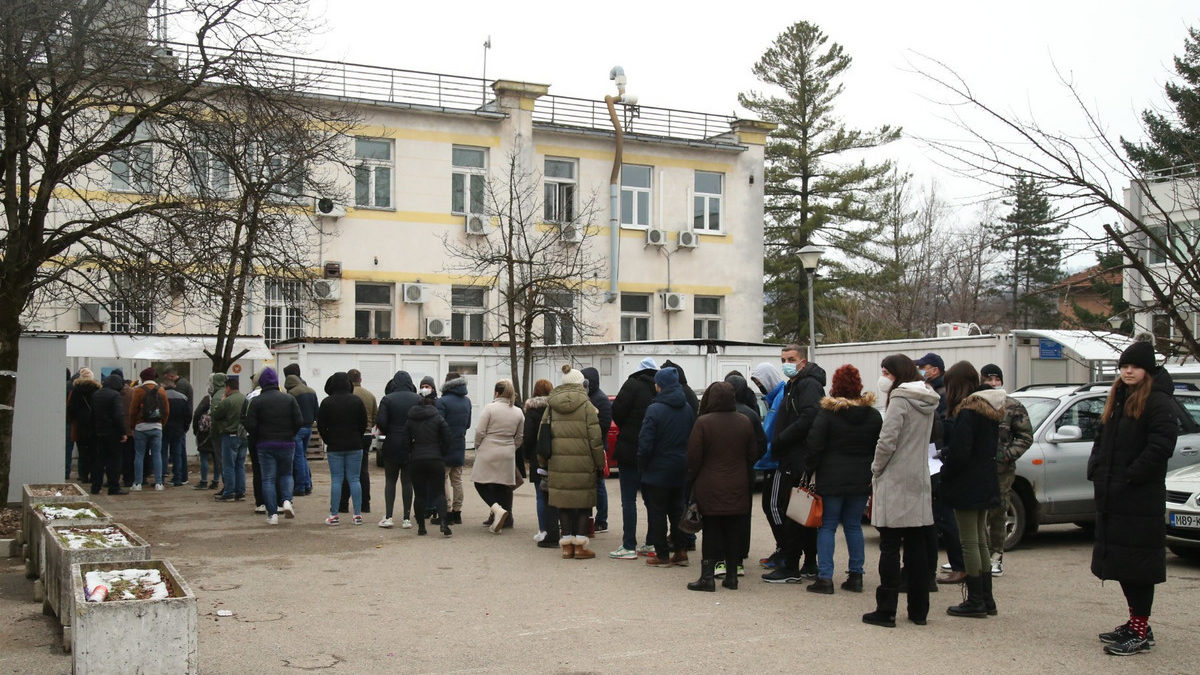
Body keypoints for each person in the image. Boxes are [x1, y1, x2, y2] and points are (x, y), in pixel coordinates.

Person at [1089, 341, 1178, 656]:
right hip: (1116, 497)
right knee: (1123, 564)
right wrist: (1096, 469)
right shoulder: (1118, 398)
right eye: (1124, 366)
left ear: (1147, 370)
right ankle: (1136, 622)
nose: (1128, 371)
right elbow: (1102, 438)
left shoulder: (1158, 402)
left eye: (1135, 366)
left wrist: (1130, 476)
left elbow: (1161, 446)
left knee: (1138, 567)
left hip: (1139, 499)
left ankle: (1140, 630)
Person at [862, 354, 939, 628]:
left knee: (890, 547)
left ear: (897, 374)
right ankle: (919, 610)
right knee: (917, 547)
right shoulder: (928, 399)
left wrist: (876, 468)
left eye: (886, 372)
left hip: (895, 478)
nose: (883, 378)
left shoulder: (900, 399)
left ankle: (886, 610)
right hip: (918, 476)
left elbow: (888, 440)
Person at [801, 364, 882, 595]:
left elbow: (813, 446)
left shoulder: (828, 414)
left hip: (831, 477)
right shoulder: (873, 416)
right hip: (861, 477)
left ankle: (825, 577)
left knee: (827, 526)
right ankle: (856, 575)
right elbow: (879, 446)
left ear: (835, 386)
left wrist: (809, 469)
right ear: (859, 386)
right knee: (854, 526)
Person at [940, 361, 1003, 619]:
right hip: (984, 480)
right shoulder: (987, 409)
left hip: (967, 483)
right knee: (980, 541)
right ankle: (986, 598)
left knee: (969, 543)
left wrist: (946, 459)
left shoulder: (967, 412)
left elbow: (961, 453)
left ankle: (976, 599)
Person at [685, 382, 758, 591]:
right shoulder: (744, 421)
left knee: (711, 531)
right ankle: (732, 576)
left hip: (709, 485)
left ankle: (707, 577)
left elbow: (693, 457)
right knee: (733, 531)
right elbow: (752, 454)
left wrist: (694, 478)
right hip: (738, 485)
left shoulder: (703, 423)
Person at [762, 344, 826, 583]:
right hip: (794, 456)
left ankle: (791, 562)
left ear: (803, 360)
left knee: (786, 510)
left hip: (795, 458)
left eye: (790, 359)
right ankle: (808, 563)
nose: (786, 364)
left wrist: (781, 439)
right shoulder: (796, 384)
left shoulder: (808, 385)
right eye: (783, 359)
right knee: (800, 513)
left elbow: (809, 417)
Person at [541, 366, 605, 559]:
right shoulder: (587, 406)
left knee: (564, 504)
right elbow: (595, 439)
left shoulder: (551, 405)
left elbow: (542, 436)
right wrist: (599, 464)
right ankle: (580, 546)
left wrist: (543, 462)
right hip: (583, 464)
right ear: (580, 383)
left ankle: (567, 546)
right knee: (583, 505)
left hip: (558, 464)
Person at [638, 366, 696, 567]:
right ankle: (681, 551)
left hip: (657, 469)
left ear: (660, 385)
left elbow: (645, 443)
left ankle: (662, 554)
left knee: (657, 513)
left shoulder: (654, 409)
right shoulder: (687, 408)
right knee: (677, 511)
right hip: (681, 468)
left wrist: (642, 465)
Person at [979, 364, 1033, 577]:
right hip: (978, 468)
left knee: (997, 511)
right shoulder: (976, 404)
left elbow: (1025, 437)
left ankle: (996, 555)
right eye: (989, 379)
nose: (993, 383)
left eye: (997, 379)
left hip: (1001, 470)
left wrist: (1007, 455)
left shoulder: (1012, 406)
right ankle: (976, 554)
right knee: (975, 512)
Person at [915, 352, 964, 586]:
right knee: (939, 515)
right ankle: (953, 564)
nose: (921, 371)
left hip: (938, 459)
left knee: (944, 516)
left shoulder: (941, 394)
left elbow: (942, 428)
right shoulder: (937, 391)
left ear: (935, 369)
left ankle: (959, 566)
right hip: (935, 458)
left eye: (923, 367)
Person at [610, 357, 659, 560]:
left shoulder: (631, 385)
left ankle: (629, 545)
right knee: (651, 500)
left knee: (628, 500)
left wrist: (628, 427)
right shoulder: (659, 387)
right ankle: (651, 542)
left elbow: (617, 412)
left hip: (629, 450)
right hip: (652, 453)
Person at [243, 368, 302, 525]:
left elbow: (249, 424)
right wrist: (290, 434)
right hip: (287, 443)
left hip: (265, 444)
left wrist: (258, 436)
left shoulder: (256, 401)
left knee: (268, 478)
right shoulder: (289, 399)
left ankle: (272, 514)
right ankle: (287, 501)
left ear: (261, 383)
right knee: (286, 474)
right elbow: (299, 421)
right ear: (277, 382)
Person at [473, 379, 525, 533]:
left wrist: (478, 446)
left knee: (480, 482)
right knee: (504, 485)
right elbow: (520, 436)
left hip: (489, 448)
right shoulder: (518, 411)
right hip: (508, 450)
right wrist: (511, 447)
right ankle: (507, 517)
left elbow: (480, 431)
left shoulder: (490, 408)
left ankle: (497, 510)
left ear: (496, 392)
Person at [318, 372, 369, 526]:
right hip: (355, 444)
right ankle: (357, 515)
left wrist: (328, 440)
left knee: (336, 480)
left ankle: (334, 515)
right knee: (355, 479)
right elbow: (363, 423)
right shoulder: (357, 401)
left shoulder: (327, 402)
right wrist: (357, 438)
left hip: (335, 446)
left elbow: (321, 426)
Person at [750, 362, 787, 569]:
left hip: (775, 462)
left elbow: (773, 433)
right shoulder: (773, 398)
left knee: (773, 507)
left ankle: (785, 550)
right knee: (770, 507)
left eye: (760, 383)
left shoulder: (781, 398)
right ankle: (782, 549)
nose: (759, 387)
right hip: (769, 461)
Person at [406, 385, 453, 536]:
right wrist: (442, 451)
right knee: (439, 492)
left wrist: (411, 452)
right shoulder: (438, 418)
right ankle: (444, 522)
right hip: (435, 458)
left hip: (417, 459)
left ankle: (421, 527)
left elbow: (404, 440)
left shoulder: (411, 419)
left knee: (419, 494)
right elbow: (447, 437)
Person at [376, 371, 421, 528]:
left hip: (392, 442)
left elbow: (380, 421)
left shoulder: (387, 399)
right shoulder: (418, 399)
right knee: (407, 481)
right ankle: (406, 518)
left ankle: (388, 516)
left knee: (390, 480)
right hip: (411, 443)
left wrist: (391, 430)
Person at [521, 379, 558, 548]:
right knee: (555, 494)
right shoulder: (555, 408)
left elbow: (527, 436)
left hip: (538, 456)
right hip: (555, 455)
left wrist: (527, 455)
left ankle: (543, 529)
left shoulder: (532, 410)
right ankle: (556, 527)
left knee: (541, 495)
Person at [436, 371, 471, 525]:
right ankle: (458, 512)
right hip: (460, 443)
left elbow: (438, 425)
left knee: (443, 478)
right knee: (457, 480)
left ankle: (447, 511)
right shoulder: (467, 401)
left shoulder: (442, 402)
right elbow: (468, 424)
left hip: (444, 445)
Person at [127, 367, 170, 491]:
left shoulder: (138, 391)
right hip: (157, 426)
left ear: (142, 378)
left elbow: (132, 410)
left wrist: (132, 426)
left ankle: (138, 483)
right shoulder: (161, 390)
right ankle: (158, 483)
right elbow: (166, 411)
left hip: (141, 427)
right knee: (157, 454)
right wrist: (162, 423)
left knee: (139, 455)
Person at [581, 367, 612, 533]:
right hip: (587, 448)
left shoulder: (601, 399)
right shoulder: (588, 398)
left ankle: (601, 520)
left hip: (597, 448)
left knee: (599, 485)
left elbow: (604, 426)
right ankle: (589, 519)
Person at [90, 370, 129, 495]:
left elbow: (92, 414)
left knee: (99, 461)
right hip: (113, 433)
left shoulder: (96, 394)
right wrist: (123, 432)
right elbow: (118, 415)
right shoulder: (115, 396)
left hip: (98, 432)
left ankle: (95, 487)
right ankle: (114, 487)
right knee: (114, 461)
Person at [211, 375, 247, 502]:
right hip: (243, 436)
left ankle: (229, 492)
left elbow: (216, 414)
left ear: (227, 388)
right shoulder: (245, 398)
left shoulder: (228, 400)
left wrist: (222, 400)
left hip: (230, 435)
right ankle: (240, 491)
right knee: (240, 464)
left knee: (229, 465)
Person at [346, 369, 376, 515]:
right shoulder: (369, 395)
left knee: (347, 470)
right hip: (366, 435)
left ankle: (343, 503)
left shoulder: (348, 395)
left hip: (351, 435)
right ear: (361, 379)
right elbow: (375, 416)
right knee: (363, 470)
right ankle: (365, 504)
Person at [284, 368, 317, 498]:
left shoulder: (292, 394)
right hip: (309, 427)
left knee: (298, 458)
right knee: (302, 456)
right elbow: (316, 410)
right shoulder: (311, 391)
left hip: (297, 429)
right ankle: (307, 485)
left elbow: (289, 413)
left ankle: (300, 487)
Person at [67, 368, 101, 485]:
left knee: (82, 452)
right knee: (94, 452)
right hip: (95, 424)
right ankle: (93, 475)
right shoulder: (97, 390)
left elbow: (70, 408)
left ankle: (83, 476)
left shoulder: (75, 390)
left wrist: (73, 420)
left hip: (80, 424)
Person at [193, 373, 225, 491]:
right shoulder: (225, 396)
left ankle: (204, 480)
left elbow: (197, 414)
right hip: (219, 431)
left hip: (205, 433)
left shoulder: (207, 399)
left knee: (204, 457)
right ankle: (216, 480)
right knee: (217, 458)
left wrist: (196, 430)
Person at [162, 377, 193, 486]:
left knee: (163, 452)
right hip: (178, 430)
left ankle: (161, 477)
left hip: (164, 429)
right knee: (177, 454)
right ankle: (178, 478)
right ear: (175, 386)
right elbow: (188, 415)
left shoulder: (161, 396)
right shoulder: (182, 397)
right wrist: (185, 427)